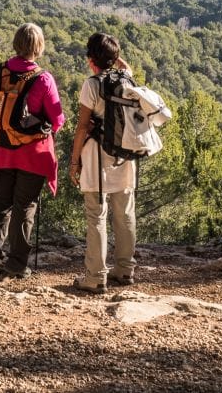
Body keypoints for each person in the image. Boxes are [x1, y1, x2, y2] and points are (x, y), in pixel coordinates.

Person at [0, 23, 65, 279]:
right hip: (33, 155)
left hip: (0, 150)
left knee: (0, 204)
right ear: (39, 47)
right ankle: (16, 264)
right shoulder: (43, 78)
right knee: (24, 205)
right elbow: (57, 119)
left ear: (16, 42)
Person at [69, 32, 137, 294]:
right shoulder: (127, 80)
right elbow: (126, 68)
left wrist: (74, 162)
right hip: (125, 154)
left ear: (90, 59)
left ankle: (96, 276)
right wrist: (118, 60)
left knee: (96, 214)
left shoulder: (92, 84)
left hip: (97, 155)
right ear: (115, 58)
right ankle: (125, 270)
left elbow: (82, 126)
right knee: (125, 212)